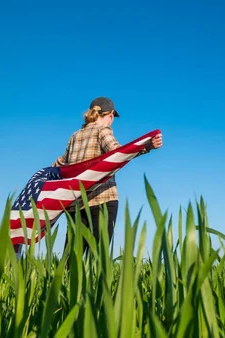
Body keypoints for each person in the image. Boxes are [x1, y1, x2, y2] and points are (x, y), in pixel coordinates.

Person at [51, 96, 163, 254]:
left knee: (72, 257)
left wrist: (42, 178)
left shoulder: (75, 137)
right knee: (97, 257)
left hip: (76, 204)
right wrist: (147, 146)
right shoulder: (103, 131)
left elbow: (60, 164)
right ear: (110, 115)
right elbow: (118, 154)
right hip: (102, 200)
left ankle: (65, 279)